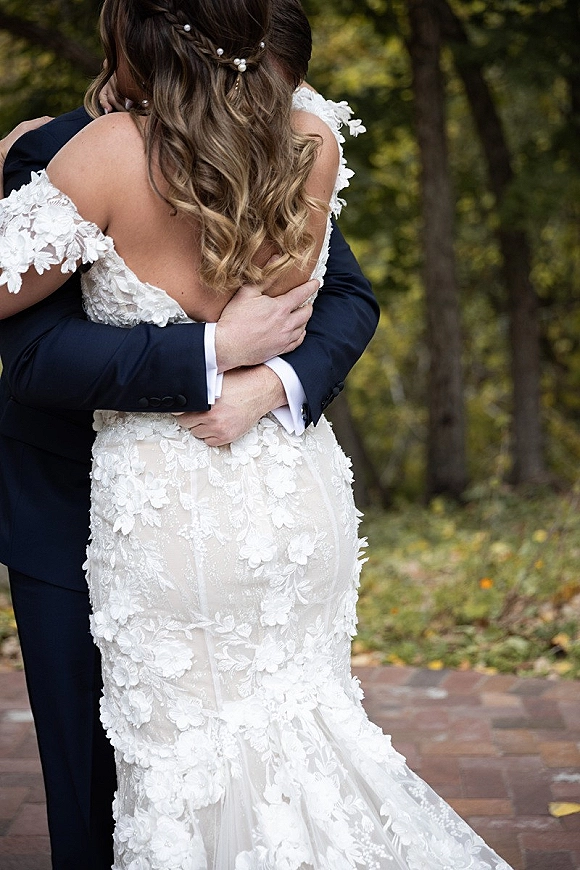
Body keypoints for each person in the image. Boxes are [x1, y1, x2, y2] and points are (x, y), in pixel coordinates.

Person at [0, 0, 513, 867]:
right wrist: (215, 351)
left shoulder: (80, 157)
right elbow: (35, 355)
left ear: (137, 40)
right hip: (254, 497)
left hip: (162, 510)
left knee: (176, 768)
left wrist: (267, 380)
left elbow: (347, 300)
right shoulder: (307, 139)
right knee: (289, 742)